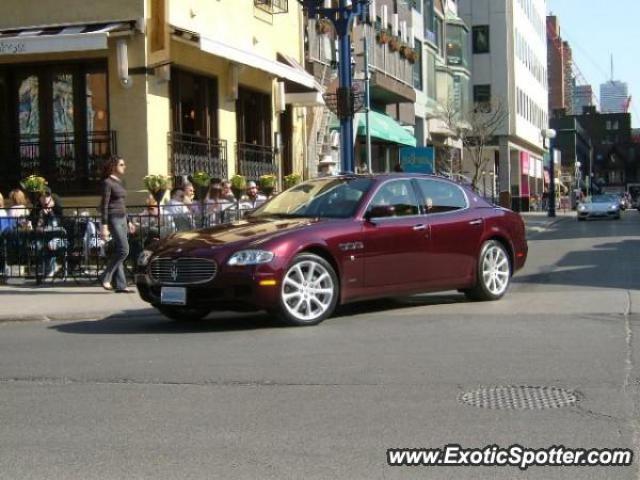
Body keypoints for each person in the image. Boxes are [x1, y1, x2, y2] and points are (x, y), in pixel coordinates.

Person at [99, 156, 136, 293]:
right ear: (114, 166)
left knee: (119, 250)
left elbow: (122, 204)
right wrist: (104, 226)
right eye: (121, 164)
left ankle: (121, 285)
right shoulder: (107, 183)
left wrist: (129, 221)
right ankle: (105, 276)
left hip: (122, 219)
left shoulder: (120, 182)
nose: (124, 166)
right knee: (123, 250)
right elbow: (104, 205)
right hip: (113, 219)